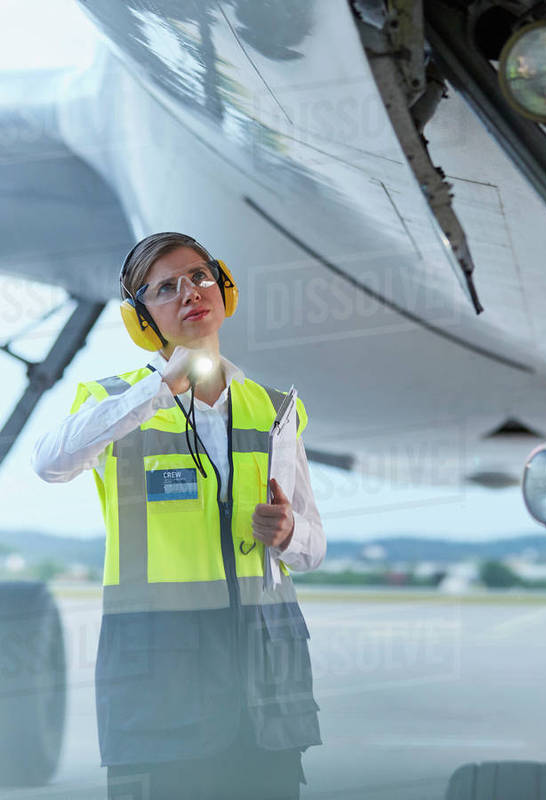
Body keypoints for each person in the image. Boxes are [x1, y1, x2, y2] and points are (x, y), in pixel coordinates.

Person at [31, 232, 325, 799]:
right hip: (162, 691)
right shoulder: (114, 403)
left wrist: (289, 533)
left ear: (224, 287)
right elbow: (50, 462)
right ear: (142, 321)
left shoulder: (274, 409)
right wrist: (157, 391)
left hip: (265, 693)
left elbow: (313, 549)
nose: (190, 291)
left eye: (200, 275)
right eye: (166, 287)